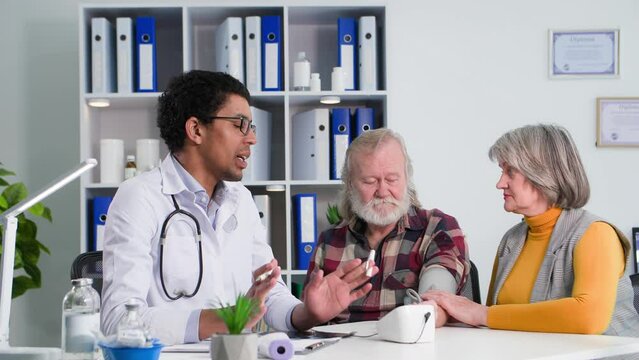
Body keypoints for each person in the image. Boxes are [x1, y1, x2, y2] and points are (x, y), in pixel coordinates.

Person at [100, 70, 379, 345]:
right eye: (239, 124)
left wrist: (306, 313)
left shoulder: (241, 200)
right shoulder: (140, 197)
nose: (252, 139)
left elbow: (269, 295)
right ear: (196, 129)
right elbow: (117, 320)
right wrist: (225, 319)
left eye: (251, 126)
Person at [423, 124, 639, 336]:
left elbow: (588, 318)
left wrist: (483, 315)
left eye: (510, 172)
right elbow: (495, 324)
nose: (500, 183)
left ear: (541, 174)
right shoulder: (512, 240)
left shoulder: (597, 234)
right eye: (502, 171)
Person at [304, 128, 470, 326]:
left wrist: (430, 309)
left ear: (407, 178)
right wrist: (312, 314)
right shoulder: (329, 241)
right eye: (369, 181)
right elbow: (310, 318)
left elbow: (436, 303)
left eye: (392, 179)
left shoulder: (438, 228)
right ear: (350, 185)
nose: (382, 192)